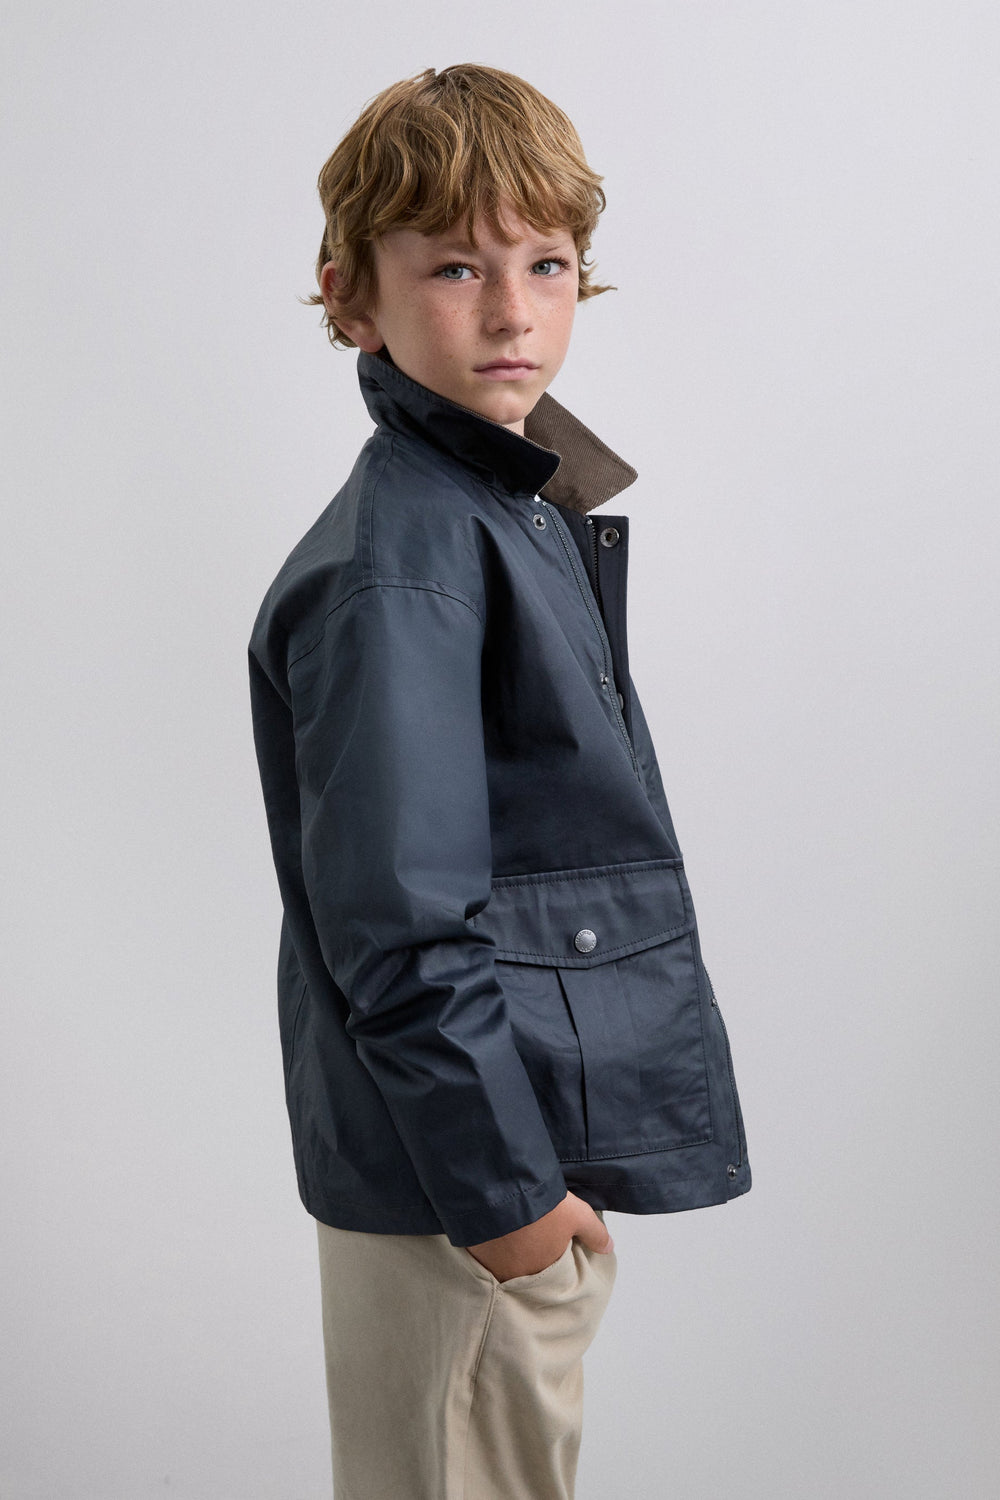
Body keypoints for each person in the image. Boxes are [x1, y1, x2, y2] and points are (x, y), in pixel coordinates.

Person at [248, 62, 751, 1500]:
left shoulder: (502, 505)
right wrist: (512, 1206)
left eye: (547, 263)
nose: (515, 310)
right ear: (353, 298)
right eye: (456, 267)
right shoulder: (405, 567)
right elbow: (402, 931)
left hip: (489, 1167)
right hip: (462, 1197)